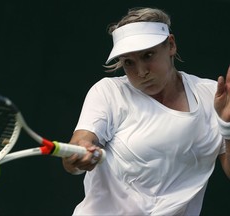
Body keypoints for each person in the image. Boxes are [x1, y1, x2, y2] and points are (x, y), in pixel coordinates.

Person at [62, 7, 230, 215]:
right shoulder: (108, 92)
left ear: (171, 45)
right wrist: (77, 156)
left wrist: (227, 126)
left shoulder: (213, 96)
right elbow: (80, 145)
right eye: (128, 62)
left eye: (148, 55)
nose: (141, 72)